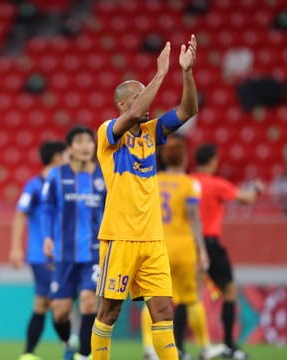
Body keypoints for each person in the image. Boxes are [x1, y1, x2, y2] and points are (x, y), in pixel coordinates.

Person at [91, 34, 198, 360]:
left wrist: (185, 73)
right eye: (138, 97)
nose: (147, 102)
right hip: (120, 237)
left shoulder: (153, 133)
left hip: (152, 239)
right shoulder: (108, 132)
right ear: (122, 105)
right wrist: (160, 75)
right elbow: (138, 111)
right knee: (109, 311)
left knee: (164, 310)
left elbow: (188, 109)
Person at [141, 136, 225, 360]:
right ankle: (205, 346)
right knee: (191, 299)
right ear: (185, 158)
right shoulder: (190, 184)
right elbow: (194, 218)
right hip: (184, 248)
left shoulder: (154, 180)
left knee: (151, 297)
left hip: (158, 248)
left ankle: (150, 349)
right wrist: (203, 252)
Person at [192, 143, 263, 360]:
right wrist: (257, 189)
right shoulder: (216, 184)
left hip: (188, 244)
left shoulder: (188, 182)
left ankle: (177, 347)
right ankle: (229, 346)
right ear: (213, 161)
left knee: (188, 296)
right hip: (210, 245)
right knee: (230, 292)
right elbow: (246, 198)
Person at [42, 126, 105, 360]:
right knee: (60, 313)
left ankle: (84, 355)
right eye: (79, 141)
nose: (86, 146)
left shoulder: (103, 176)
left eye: (89, 141)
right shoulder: (57, 175)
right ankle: (69, 341)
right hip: (64, 253)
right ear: (70, 148)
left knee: (89, 304)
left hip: (94, 253)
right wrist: (47, 237)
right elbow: (47, 209)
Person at [9, 140, 67, 360]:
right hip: (40, 254)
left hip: (64, 254)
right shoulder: (34, 185)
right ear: (57, 158)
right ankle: (71, 346)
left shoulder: (65, 184)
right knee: (56, 302)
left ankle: (30, 352)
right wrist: (15, 248)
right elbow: (20, 215)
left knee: (43, 303)